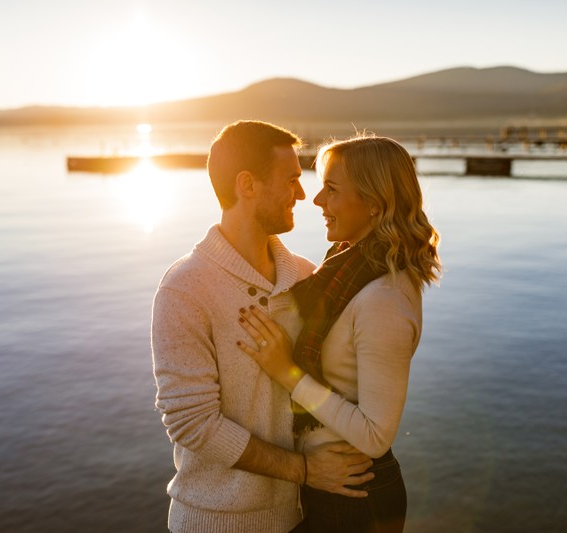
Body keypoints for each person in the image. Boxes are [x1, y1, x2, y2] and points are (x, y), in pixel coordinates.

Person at [151, 121, 375, 533]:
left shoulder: (307, 278)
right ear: (247, 185)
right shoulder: (185, 288)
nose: (303, 193)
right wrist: (306, 470)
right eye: (291, 179)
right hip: (214, 523)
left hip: (299, 516)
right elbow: (192, 423)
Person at [237, 134, 442, 532]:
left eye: (331, 190)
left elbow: (375, 435)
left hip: (357, 497)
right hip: (334, 486)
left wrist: (287, 374)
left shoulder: (383, 297)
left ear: (374, 202)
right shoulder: (347, 269)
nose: (316, 202)